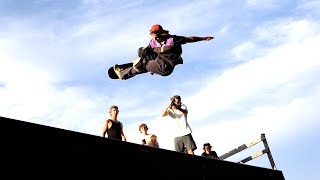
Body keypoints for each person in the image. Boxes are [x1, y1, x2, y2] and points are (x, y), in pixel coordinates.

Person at [113, 24, 214, 80]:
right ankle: (145, 67)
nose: (155, 40)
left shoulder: (172, 40)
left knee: (142, 64)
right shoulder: (153, 42)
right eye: (153, 38)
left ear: (161, 34)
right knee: (142, 52)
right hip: (158, 60)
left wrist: (203, 38)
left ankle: (123, 75)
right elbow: (147, 52)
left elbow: (189, 39)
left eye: (157, 37)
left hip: (166, 67)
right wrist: (140, 55)